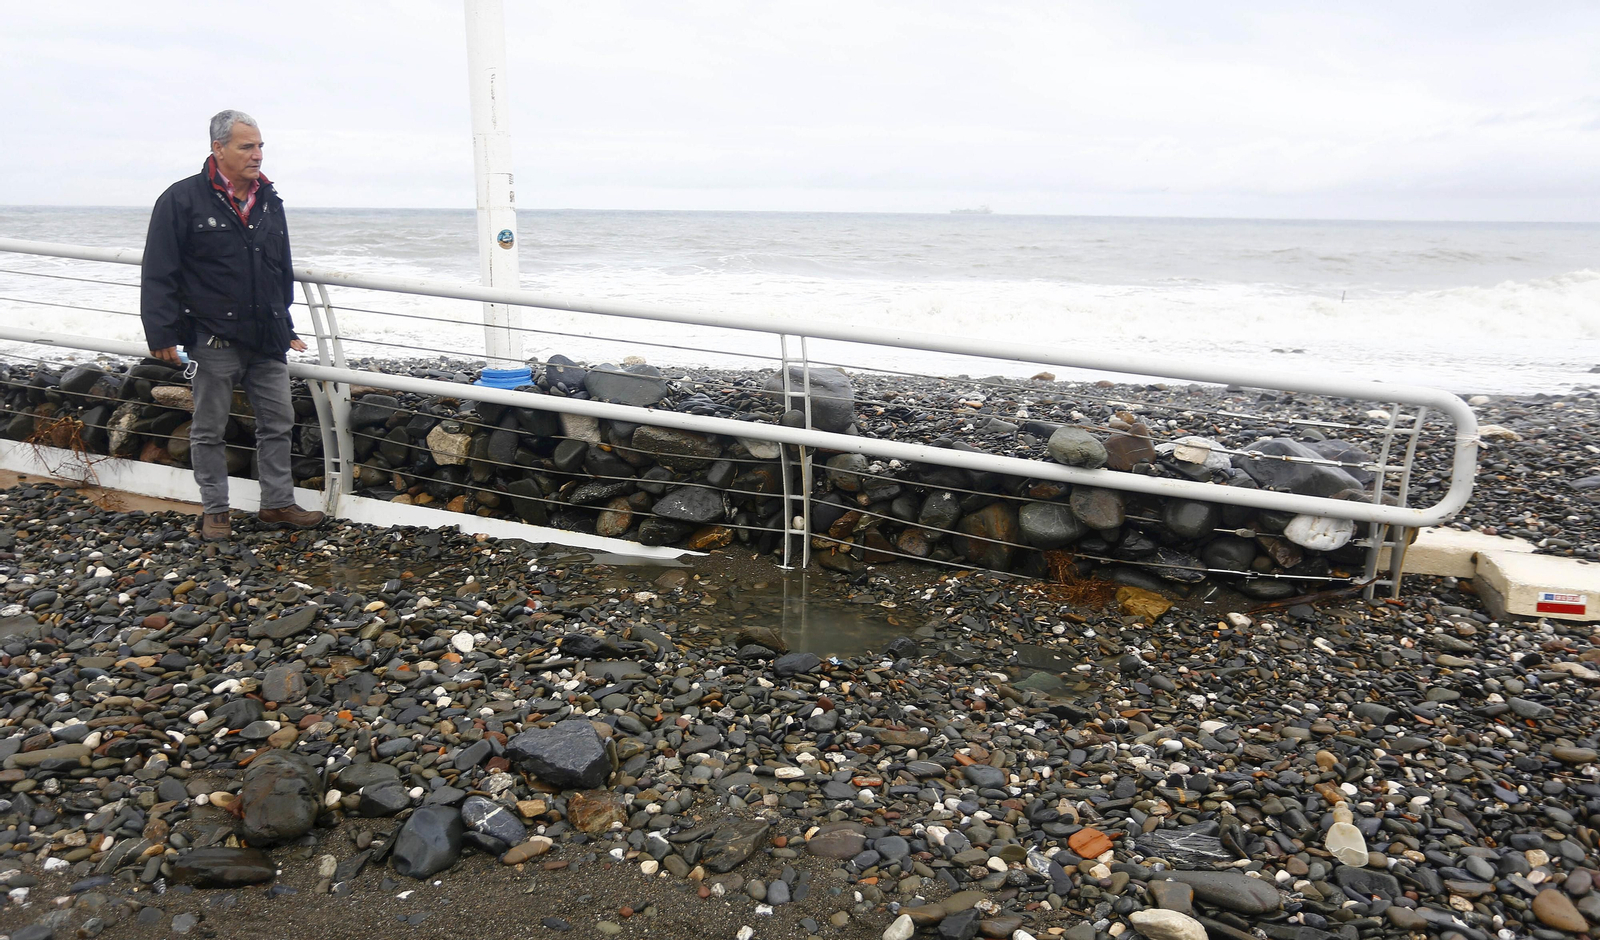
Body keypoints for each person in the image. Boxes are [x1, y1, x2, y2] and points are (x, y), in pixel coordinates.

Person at [140, 110, 326, 541]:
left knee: (279, 421)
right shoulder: (182, 199)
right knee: (209, 428)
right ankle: (216, 512)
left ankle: (277, 504)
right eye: (247, 146)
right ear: (218, 148)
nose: (257, 154)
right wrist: (162, 332)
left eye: (260, 146)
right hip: (213, 336)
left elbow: (279, 269)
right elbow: (159, 270)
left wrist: (287, 323)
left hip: (267, 335)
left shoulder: (269, 200)